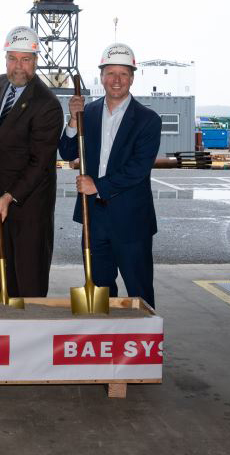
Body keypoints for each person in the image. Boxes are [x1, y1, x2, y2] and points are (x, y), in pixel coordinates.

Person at [58, 42, 161, 307]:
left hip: (131, 220)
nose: (116, 80)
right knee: (99, 290)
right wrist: (72, 120)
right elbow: (68, 152)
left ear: (132, 78)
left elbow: (138, 169)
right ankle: (103, 341)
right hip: (94, 217)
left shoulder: (148, 120)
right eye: (110, 73)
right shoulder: (87, 113)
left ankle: (142, 344)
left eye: (123, 74)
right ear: (101, 77)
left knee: (139, 290)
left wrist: (98, 186)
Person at [0, 26, 64, 297]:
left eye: (25, 60)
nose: (18, 67)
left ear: (36, 61)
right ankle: (9, 324)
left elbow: (40, 163)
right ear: (5, 60)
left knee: (29, 277)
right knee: (5, 272)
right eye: (13, 59)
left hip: (29, 204)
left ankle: (33, 333)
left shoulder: (47, 104)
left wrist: (10, 196)